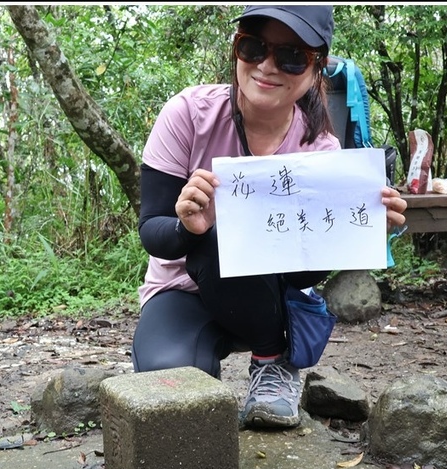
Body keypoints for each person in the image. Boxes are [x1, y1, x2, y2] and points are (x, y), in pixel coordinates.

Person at [132, 5, 407, 430]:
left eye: (291, 56)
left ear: (317, 69)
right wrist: (187, 226)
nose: (267, 66)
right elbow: (153, 233)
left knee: (228, 240)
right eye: (254, 47)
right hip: (181, 287)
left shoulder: (320, 152)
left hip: (266, 296)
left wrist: (366, 227)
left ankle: (271, 359)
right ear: (236, 49)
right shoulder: (188, 113)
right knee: (170, 396)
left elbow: (303, 273)